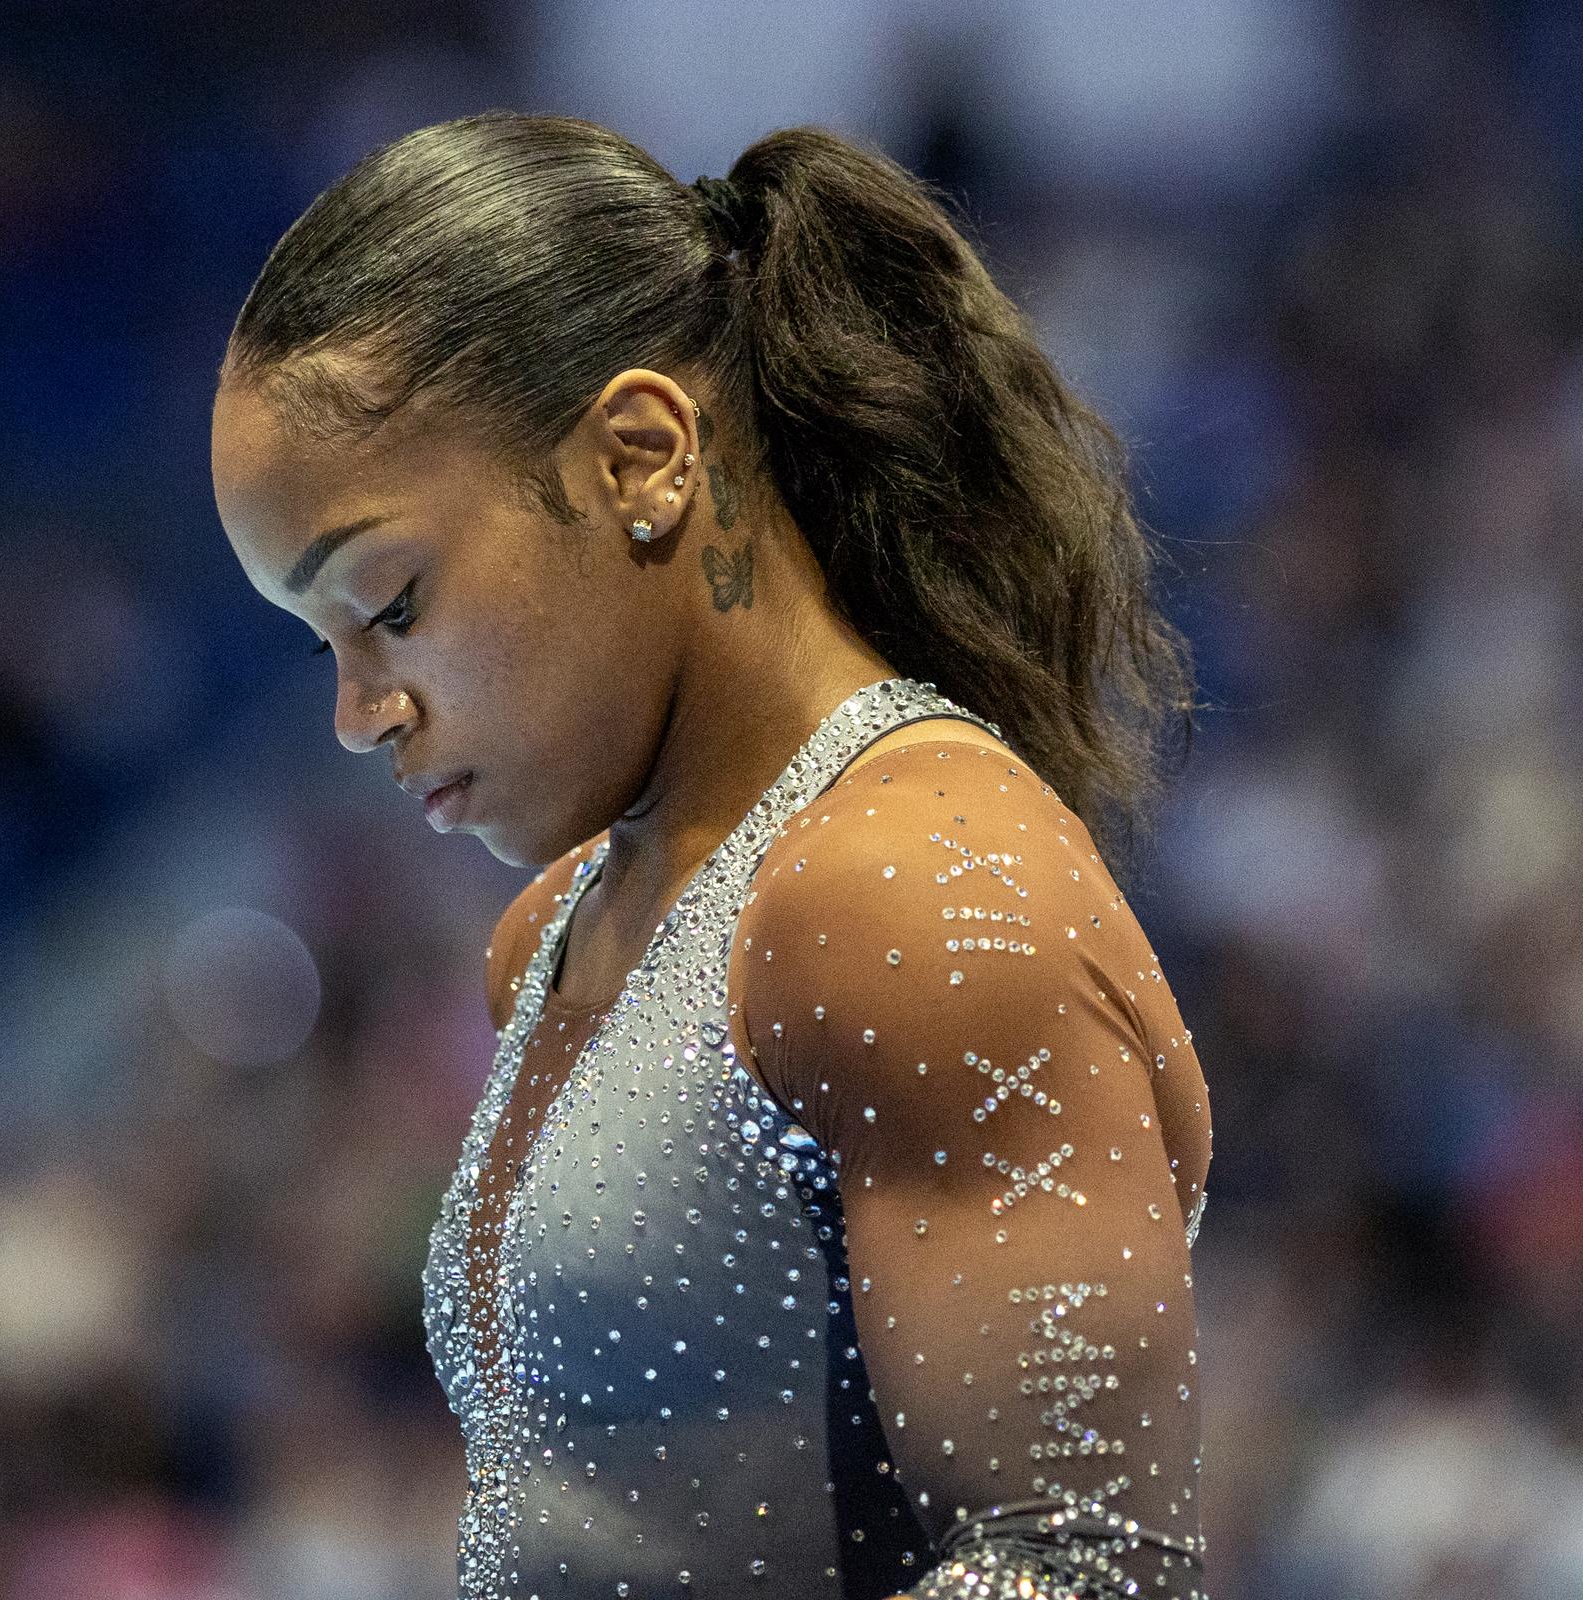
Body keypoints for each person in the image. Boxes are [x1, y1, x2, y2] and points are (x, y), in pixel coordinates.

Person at [209, 111, 1211, 1600]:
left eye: (393, 604)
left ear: (641, 456)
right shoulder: (563, 929)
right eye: (325, 646)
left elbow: (1088, 1568)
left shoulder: (907, 890)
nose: (362, 715)